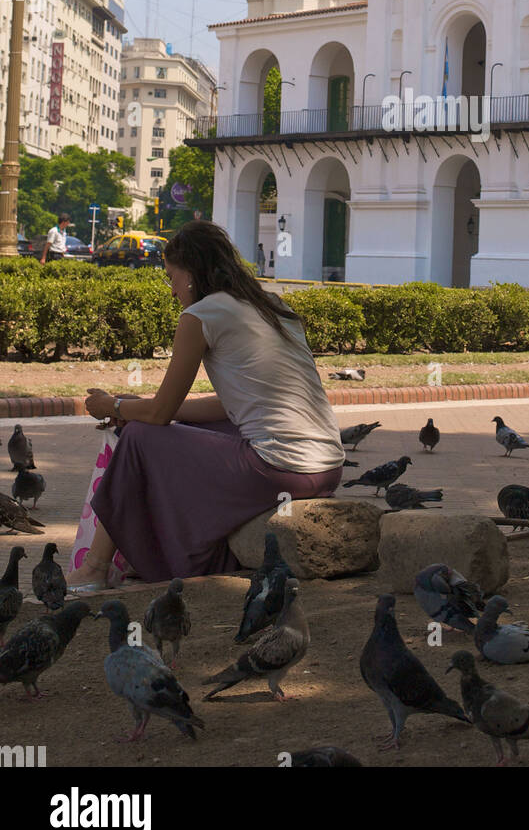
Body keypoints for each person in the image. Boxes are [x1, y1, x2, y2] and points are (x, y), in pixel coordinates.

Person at [70, 220, 345, 587]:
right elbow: (226, 406)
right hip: (328, 469)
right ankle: (171, 550)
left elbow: (157, 415)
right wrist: (149, 408)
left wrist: (115, 406)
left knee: (137, 436)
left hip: (281, 468)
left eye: (171, 277)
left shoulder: (199, 316)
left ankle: (94, 569)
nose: (171, 290)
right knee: (165, 430)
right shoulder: (272, 306)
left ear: (192, 274)